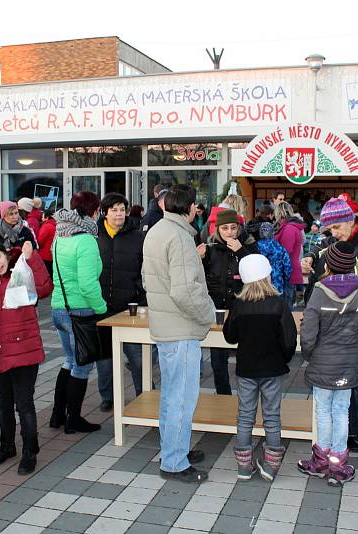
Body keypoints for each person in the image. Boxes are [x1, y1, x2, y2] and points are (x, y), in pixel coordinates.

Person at [143, 184, 215, 483]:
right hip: (181, 327)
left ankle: (175, 449)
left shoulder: (158, 231)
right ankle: (174, 461)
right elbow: (185, 291)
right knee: (181, 399)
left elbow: (149, 280)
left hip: (167, 324)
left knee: (171, 396)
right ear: (191, 207)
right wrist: (208, 315)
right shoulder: (180, 237)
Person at [305, 196, 358, 453]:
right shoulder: (348, 238)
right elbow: (325, 245)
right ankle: (353, 430)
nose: (334, 234)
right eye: (331, 230)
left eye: (337, 228)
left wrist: (341, 294)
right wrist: (310, 255)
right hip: (345, 324)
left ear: (350, 221)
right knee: (350, 382)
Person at [0, 236, 53, 474]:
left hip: (24, 353)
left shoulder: (19, 275)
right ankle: (7, 446)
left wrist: (32, 258)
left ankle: (29, 451)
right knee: (3, 404)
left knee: (24, 404)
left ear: (5, 254)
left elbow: (45, 288)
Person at [298, 242, 358, 486]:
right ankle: (338, 464)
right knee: (341, 411)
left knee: (323, 410)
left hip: (322, 360)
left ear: (329, 264)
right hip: (349, 360)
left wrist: (309, 353)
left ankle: (320, 459)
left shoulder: (320, 291)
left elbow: (309, 331)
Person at [223, 254, 296, 482]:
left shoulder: (239, 304)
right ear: (268, 275)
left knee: (245, 416)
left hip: (246, 368)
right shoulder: (279, 304)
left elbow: (230, 336)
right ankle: (271, 465)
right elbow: (289, 339)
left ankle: (244, 466)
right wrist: (283, 359)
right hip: (272, 368)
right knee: (272, 416)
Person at [49, 192, 107, 434]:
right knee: (82, 366)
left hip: (59, 307)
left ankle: (57, 416)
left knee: (70, 360)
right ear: (94, 212)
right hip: (81, 310)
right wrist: (102, 309)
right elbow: (87, 283)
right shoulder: (85, 240)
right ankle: (73, 420)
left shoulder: (60, 235)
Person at [94, 193, 147, 411]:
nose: (119, 214)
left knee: (136, 355)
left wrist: (142, 297)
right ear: (105, 213)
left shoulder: (137, 236)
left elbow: (145, 269)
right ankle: (108, 396)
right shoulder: (94, 236)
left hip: (130, 305)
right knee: (104, 356)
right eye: (114, 210)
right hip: (101, 304)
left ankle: (145, 394)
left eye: (122, 209)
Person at [197, 208, 258, 395]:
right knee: (217, 358)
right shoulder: (211, 250)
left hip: (242, 308)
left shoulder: (249, 248)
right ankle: (223, 394)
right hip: (217, 309)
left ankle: (246, 396)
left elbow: (257, 272)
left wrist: (241, 252)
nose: (230, 232)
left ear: (239, 229)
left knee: (245, 355)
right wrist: (197, 258)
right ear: (218, 230)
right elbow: (198, 276)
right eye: (225, 228)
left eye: (233, 227)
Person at [274, 201, 305, 308]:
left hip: (286, 274)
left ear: (279, 213)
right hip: (288, 272)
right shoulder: (290, 227)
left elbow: (285, 252)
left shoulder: (289, 229)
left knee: (284, 310)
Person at [255, 222, 292, 295]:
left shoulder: (256, 247)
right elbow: (288, 266)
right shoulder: (279, 247)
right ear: (272, 232)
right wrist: (286, 279)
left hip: (260, 282)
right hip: (277, 281)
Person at [37, 208, 56, 277]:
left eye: (43, 215)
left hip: (45, 255)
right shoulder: (55, 225)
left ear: (47, 217)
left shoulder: (46, 226)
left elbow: (40, 241)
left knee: (46, 275)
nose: (41, 217)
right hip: (52, 254)